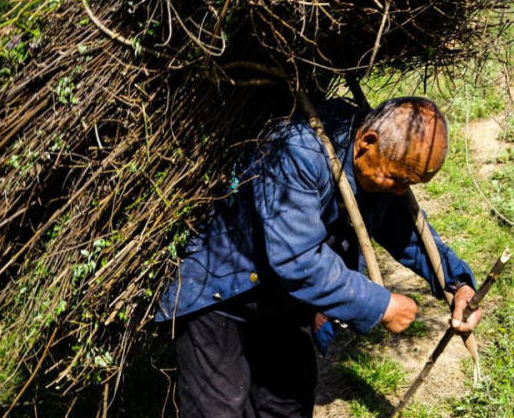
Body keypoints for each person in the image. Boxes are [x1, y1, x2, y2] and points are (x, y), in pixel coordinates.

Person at [156, 96, 482, 418]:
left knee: (287, 406)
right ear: (368, 141)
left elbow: (407, 229)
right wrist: (380, 305)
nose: (401, 191)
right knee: (219, 410)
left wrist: (456, 283)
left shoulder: (376, 163)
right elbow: (298, 260)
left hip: (282, 303)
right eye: (398, 179)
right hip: (223, 292)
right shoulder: (297, 150)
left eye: (409, 184)